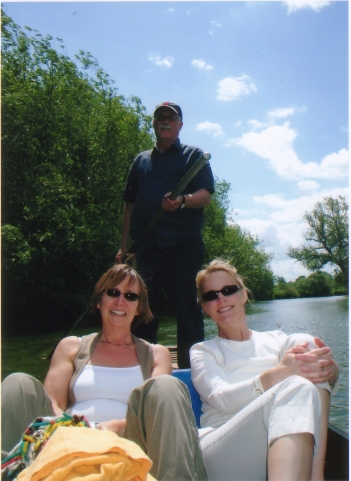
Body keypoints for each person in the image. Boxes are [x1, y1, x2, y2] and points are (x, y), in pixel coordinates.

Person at [2, 264, 207, 481]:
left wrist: (112, 427)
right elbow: (53, 403)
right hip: (71, 434)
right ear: (99, 301)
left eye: (130, 296)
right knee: (18, 383)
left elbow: (157, 414)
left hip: (130, 437)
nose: (120, 301)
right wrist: (77, 428)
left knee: (168, 385)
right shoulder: (71, 347)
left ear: (138, 308)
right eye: (113, 292)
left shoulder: (156, 354)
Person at [190, 259, 339, 481]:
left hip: (279, 446)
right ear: (205, 307)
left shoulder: (277, 340)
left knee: (305, 342)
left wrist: (331, 372)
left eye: (228, 290)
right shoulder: (203, 351)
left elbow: (312, 381)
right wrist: (281, 373)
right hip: (222, 453)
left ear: (243, 295)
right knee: (296, 385)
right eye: (211, 295)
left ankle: (316, 475)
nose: (221, 299)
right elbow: (222, 398)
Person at [115, 102, 215, 368]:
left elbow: (205, 196)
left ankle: (192, 371)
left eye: (171, 117)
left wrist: (182, 200)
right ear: (154, 123)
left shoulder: (194, 156)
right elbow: (130, 205)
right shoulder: (141, 160)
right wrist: (123, 247)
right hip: (146, 247)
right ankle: (145, 368)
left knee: (188, 309)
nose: (165, 121)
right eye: (160, 117)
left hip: (185, 245)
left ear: (180, 124)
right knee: (144, 310)